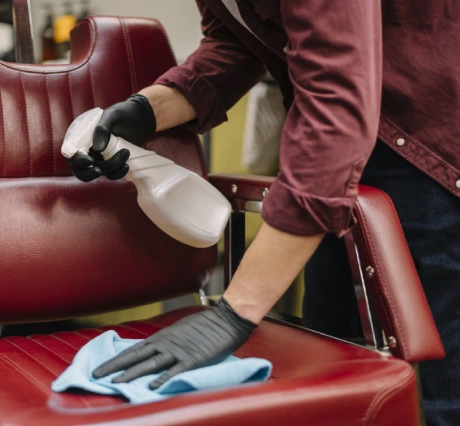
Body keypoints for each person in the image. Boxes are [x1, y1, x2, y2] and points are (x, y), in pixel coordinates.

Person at [67, 1, 460, 424]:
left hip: (430, 144)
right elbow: (235, 43)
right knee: (331, 373)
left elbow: (335, 106)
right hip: (336, 161)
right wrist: (149, 110)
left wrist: (233, 313)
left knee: (441, 394)